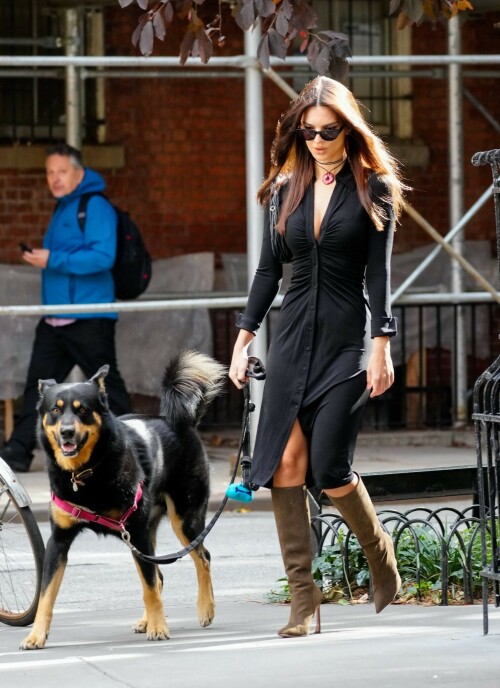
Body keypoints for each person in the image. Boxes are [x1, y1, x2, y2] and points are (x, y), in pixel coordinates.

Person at [229, 76, 407, 638]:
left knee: (330, 466)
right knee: (286, 462)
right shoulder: (286, 189)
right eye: (308, 133)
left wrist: (382, 344)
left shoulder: (374, 187)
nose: (317, 140)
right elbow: (265, 272)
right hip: (291, 338)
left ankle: (381, 558)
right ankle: (303, 603)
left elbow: (377, 274)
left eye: (328, 131)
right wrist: (243, 336)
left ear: (348, 128)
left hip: (345, 340)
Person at [1, 143, 131, 472]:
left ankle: (131, 443)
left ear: (79, 173)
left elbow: (104, 257)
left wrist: (52, 259)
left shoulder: (95, 206)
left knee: (106, 390)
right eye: (50, 172)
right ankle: (17, 451)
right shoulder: (63, 208)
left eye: (62, 172)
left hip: (89, 317)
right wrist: (44, 259)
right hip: (56, 317)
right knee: (38, 388)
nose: (54, 179)